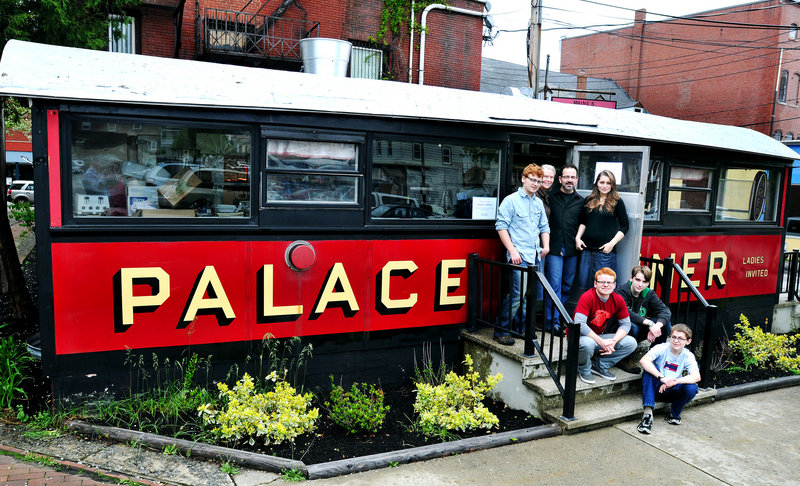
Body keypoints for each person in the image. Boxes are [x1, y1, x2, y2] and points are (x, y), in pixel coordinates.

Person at [494, 164, 551, 345]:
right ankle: (501, 330)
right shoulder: (510, 201)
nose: (536, 184)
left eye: (539, 181)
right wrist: (512, 250)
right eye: (533, 180)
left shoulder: (538, 202)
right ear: (524, 178)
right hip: (519, 256)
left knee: (529, 296)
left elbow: (544, 227)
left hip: (535, 256)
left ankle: (520, 329)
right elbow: (501, 226)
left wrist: (546, 247)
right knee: (517, 295)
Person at [573, 267, 637, 383]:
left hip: (599, 338)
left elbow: (626, 324)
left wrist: (613, 341)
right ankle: (584, 369)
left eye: (609, 282)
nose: (606, 285)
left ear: (614, 285)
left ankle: (599, 365)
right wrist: (600, 341)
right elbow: (579, 324)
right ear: (595, 284)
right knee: (588, 343)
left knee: (630, 343)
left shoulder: (618, 299)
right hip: (578, 339)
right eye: (602, 282)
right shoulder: (587, 297)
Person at [636, 324, 700, 434]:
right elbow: (644, 361)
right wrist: (663, 378)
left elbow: (696, 376)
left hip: (672, 390)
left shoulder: (687, 355)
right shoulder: (661, 348)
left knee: (692, 388)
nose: (676, 341)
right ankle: (647, 415)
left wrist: (674, 382)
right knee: (648, 369)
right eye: (673, 337)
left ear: (688, 341)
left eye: (680, 338)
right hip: (655, 388)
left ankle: (674, 412)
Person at [544, 164, 584, 335]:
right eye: (566, 177)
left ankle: (560, 319)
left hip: (571, 250)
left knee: (567, 287)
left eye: (572, 177)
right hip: (553, 248)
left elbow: (584, 223)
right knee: (553, 286)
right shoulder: (550, 197)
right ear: (560, 179)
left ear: (577, 179)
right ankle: (550, 323)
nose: (569, 180)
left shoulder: (581, 201)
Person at [575, 170, 629, 291]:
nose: (605, 186)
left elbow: (625, 226)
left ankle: (602, 311)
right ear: (597, 184)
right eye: (602, 182)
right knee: (584, 286)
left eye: (608, 183)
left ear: (612, 185)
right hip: (586, 251)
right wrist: (578, 238)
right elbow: (583, 222)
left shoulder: (617, 202)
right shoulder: (589, 200)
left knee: (603, 288)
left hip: (604, 253)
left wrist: (611, 244)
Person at [615, 265, 672, 346]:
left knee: (665, 324)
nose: (640, 284)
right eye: (638, 280)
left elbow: (665, 311)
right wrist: (650, 323)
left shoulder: (649, 293)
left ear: (648, 283)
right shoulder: (621, 291)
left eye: (644, 282)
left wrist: (656, 327)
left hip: (641, 326)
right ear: (631, 278)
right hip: (621, 327)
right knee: (633, 327)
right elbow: (626, 312)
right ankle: (628, 353)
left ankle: (655, 353)